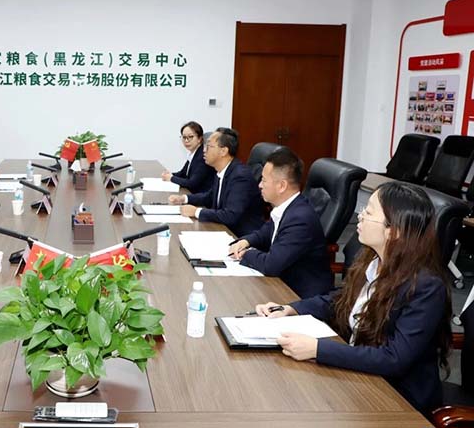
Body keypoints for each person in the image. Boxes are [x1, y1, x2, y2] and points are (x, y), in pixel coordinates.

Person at [253, 182, 451, 415]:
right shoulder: (372, 260)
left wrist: (318, 349)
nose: (360, 216)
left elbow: (394, 358)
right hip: (360, 377)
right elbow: (342, 299)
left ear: (394, 231)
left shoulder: (427, 287)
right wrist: (291, 309)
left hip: (399, 399)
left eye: (369, 212)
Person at [229, 148, 331, 298]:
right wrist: (245, 241)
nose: (259, 185)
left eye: (264, 180)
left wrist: (247, 254)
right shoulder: (287, 207)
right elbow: (265, 233)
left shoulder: (300, 219)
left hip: (300, 296)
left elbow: (271, 265)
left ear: (282, 186)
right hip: (282, 283)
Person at [170, 127, 264, 237]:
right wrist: (184, 198)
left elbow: (230, 215)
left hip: (240, 236)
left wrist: (196, 212)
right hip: (222, 229)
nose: (204, 150)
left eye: (209, 146)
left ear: (223, 151)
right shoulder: (222, 170)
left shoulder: (240, 176)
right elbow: (210, 196)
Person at [161, 121, 216, 193]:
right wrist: (169, 175)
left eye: (190, 137)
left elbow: (192, 183)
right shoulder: (193, 153)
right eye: (184, 137)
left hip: (200, 196)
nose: (186, 141)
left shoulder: (203, 156)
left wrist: (171, 178)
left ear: (199, 138)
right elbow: (183, 173)